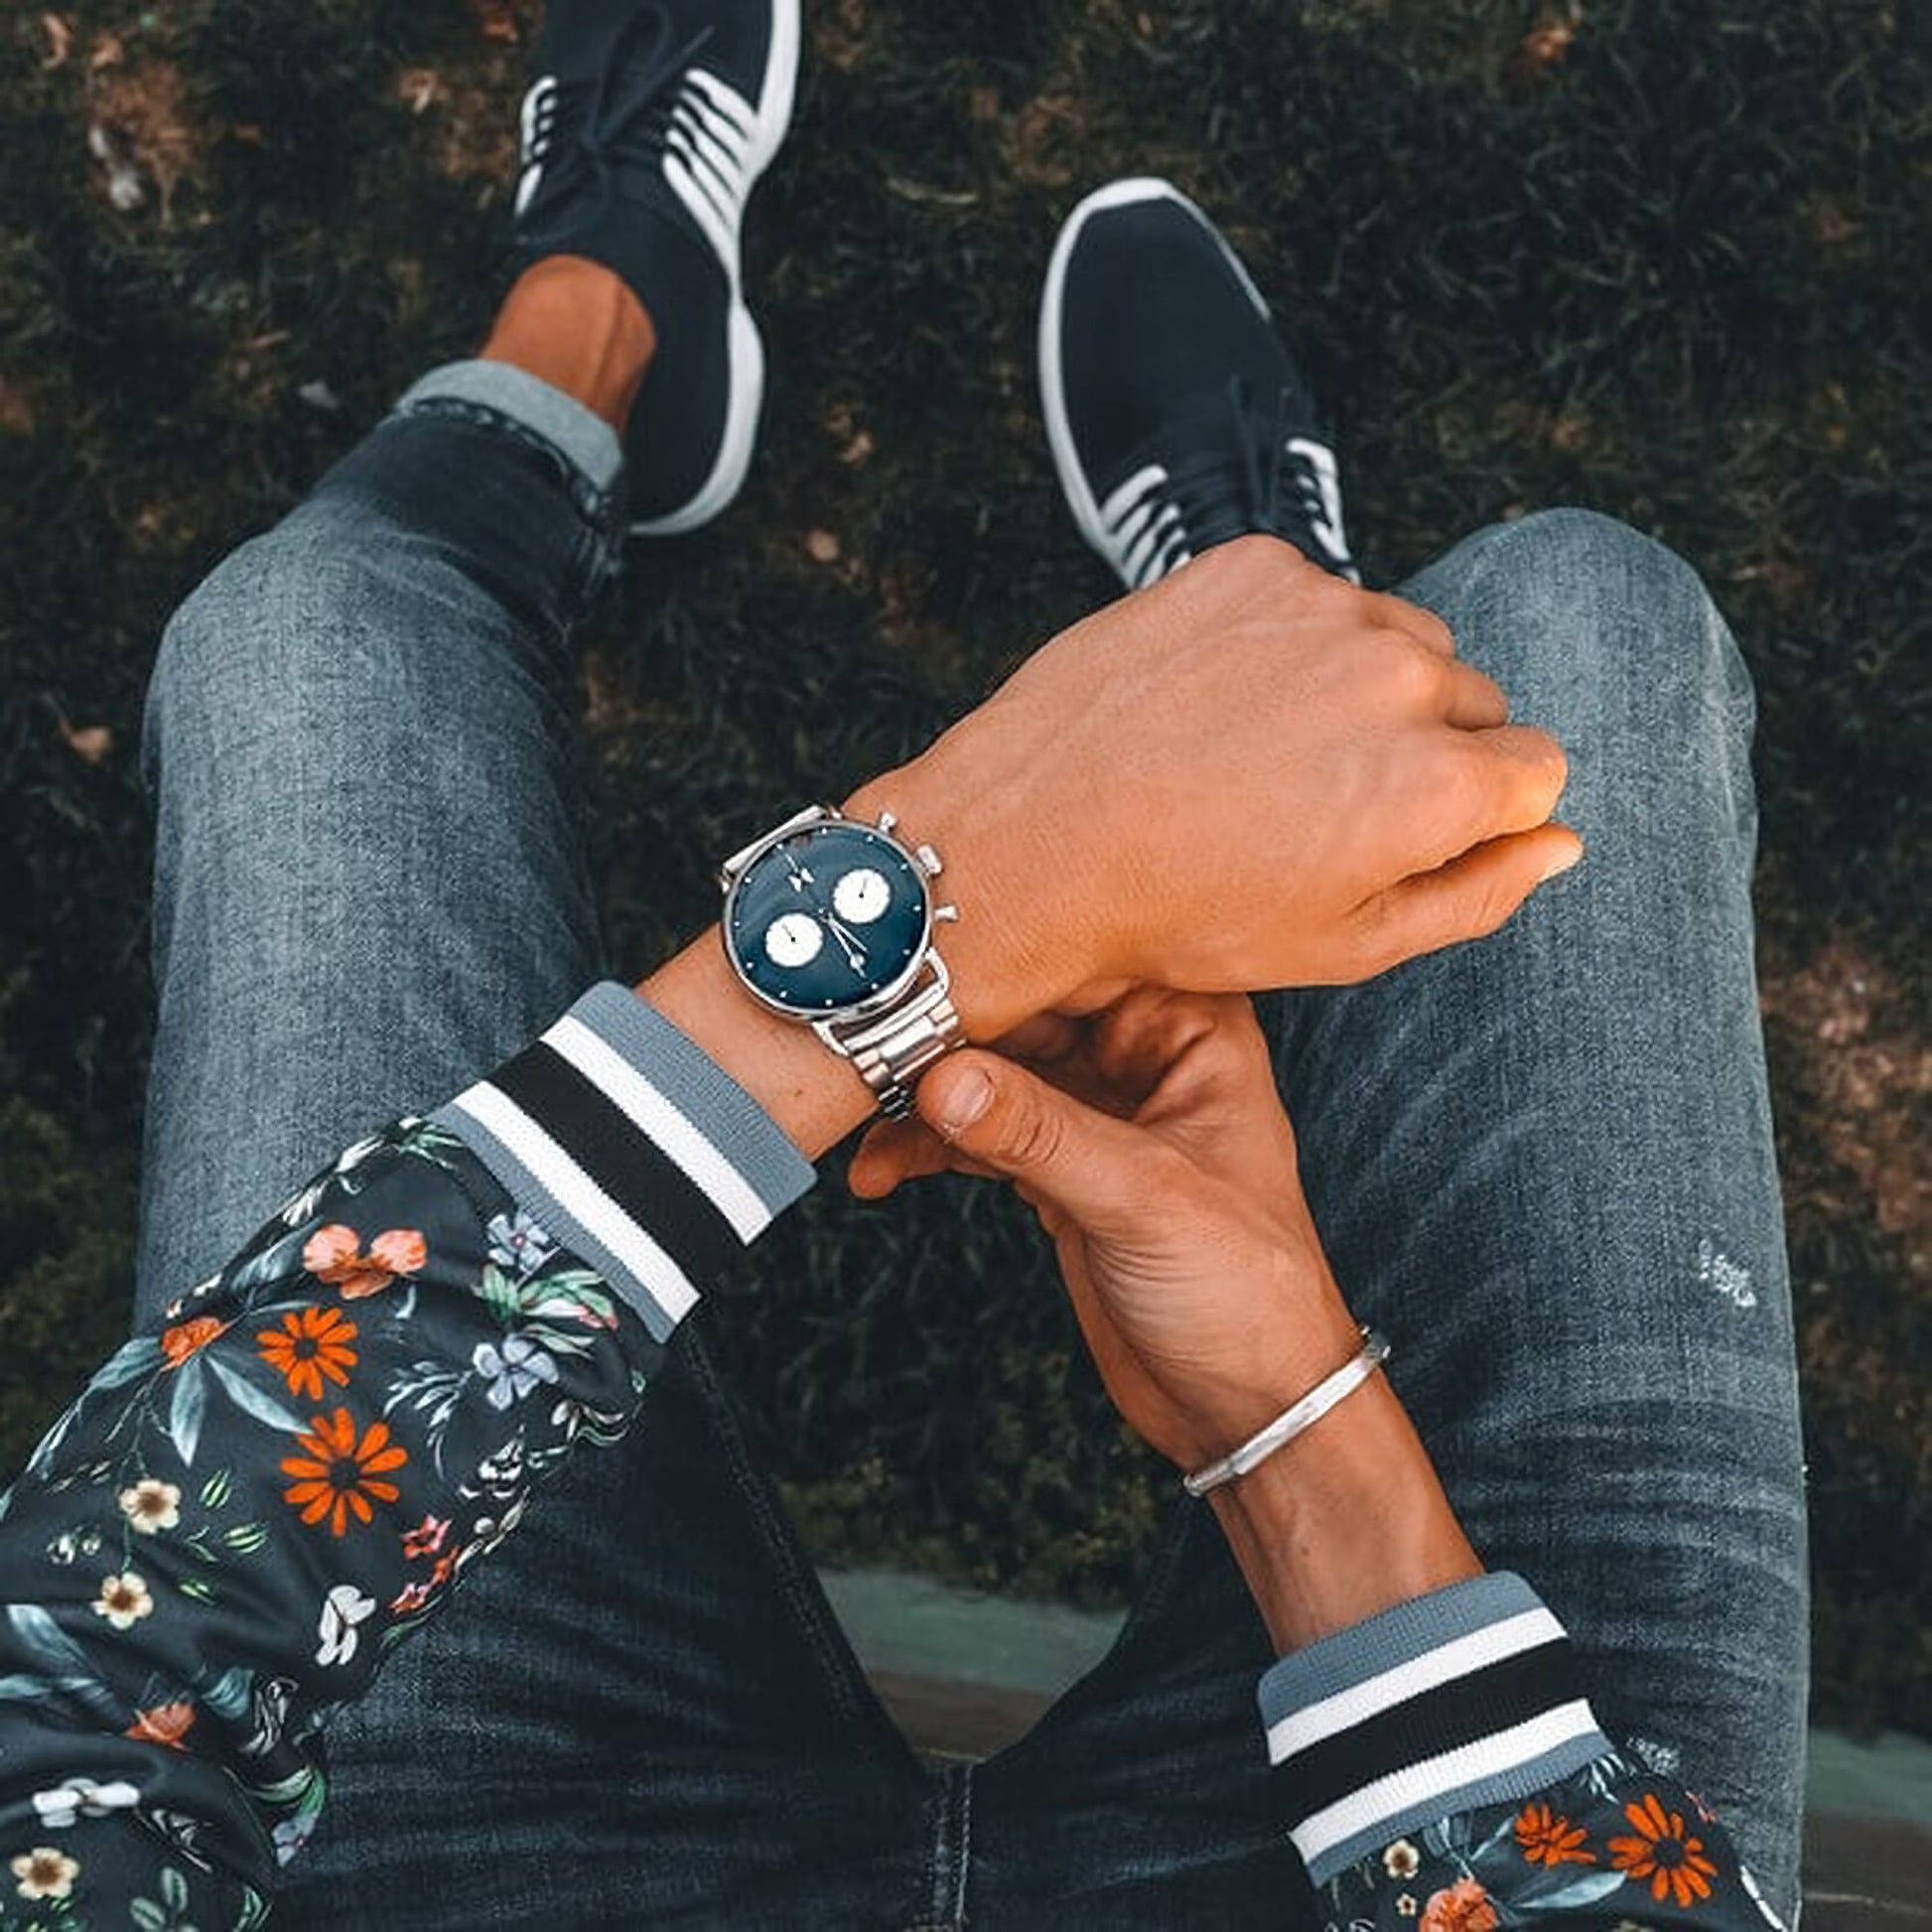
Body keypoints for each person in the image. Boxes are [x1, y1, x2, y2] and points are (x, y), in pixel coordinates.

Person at [0, 2, 1805, 1926]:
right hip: (1475, 1839)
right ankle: (1243, 638)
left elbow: (64, 1719)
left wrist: (942, 904)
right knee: (1578, 629)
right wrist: (1285, 1428)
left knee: (311, 628)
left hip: (453, 1868)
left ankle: (598, 327)